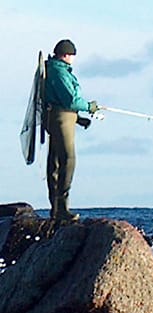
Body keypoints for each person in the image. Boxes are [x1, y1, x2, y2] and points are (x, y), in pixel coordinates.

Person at [44, 39, 98, 221]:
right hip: (61, 118)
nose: (73, 59)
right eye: (72, 55)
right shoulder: (59, 72)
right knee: (68, 159)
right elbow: (70, 100)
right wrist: (89, 107)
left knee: (56, 161)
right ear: (66, 55)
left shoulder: (54, 69)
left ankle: (57, 208)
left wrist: (78, 118)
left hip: (60, 117)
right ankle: (61, 208)